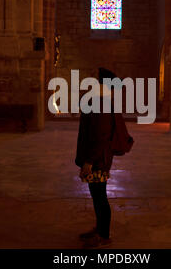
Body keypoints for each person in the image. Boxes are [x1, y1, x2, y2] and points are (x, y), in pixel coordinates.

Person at [75, 67, 121, 249]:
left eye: (95, 77)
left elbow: (101, 136)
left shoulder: (101, 102)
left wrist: (89, 161)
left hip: (98, 161)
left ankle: (104, 235)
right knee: (96, 195)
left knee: (100, 196)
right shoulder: (99, 100)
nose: (91, 79)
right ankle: (99, 228)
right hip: (96, 158)